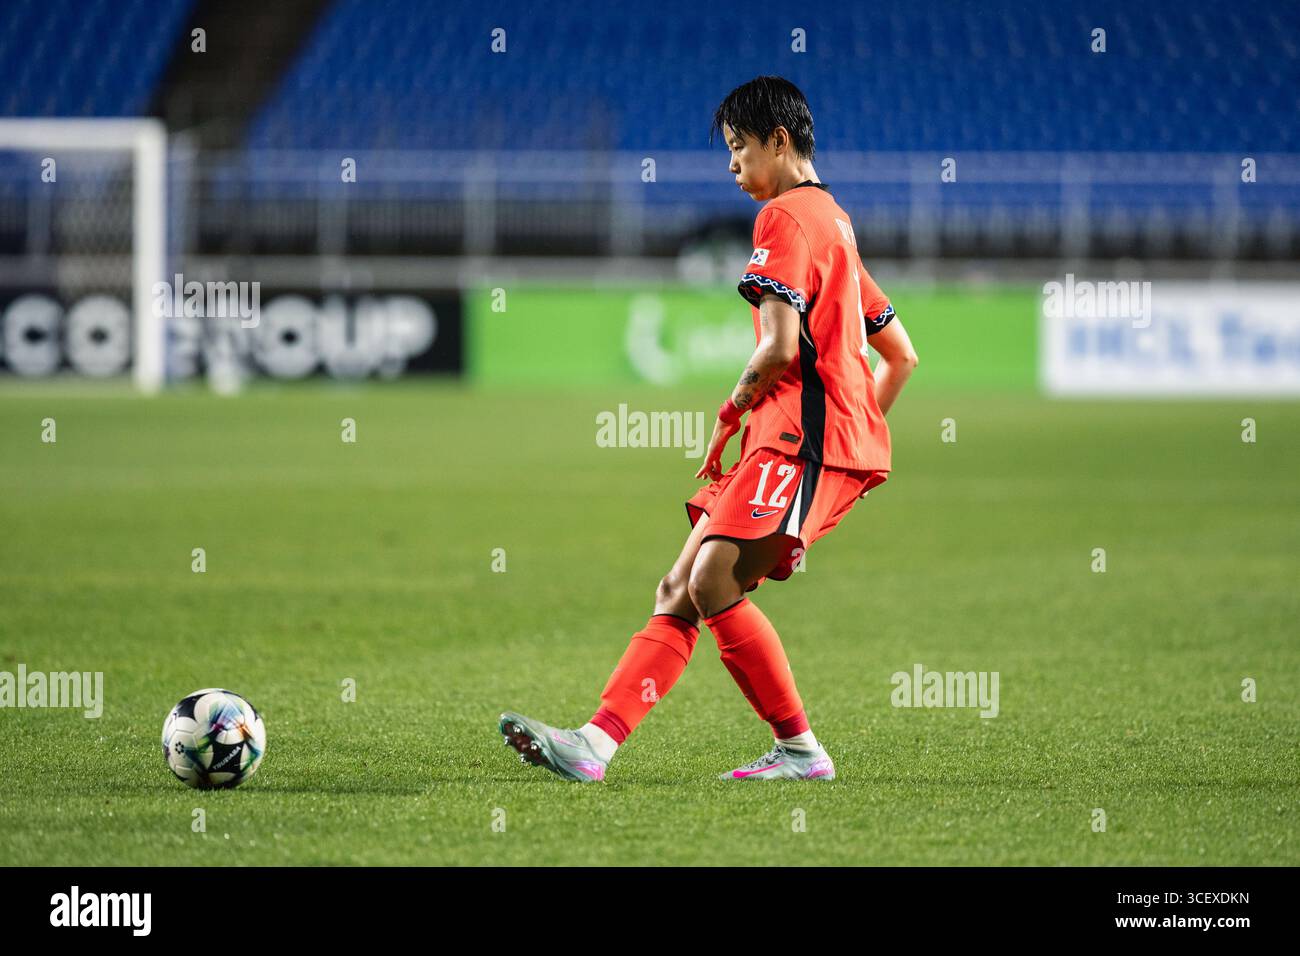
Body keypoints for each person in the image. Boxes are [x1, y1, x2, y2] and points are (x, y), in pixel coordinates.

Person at [499, 75, 919, 782]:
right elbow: (902, 356)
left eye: (738, 148)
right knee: (680, 586)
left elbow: (780, 346)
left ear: (777, 142)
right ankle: (593, 747)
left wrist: (731, 414)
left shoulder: (784, 218)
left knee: (711, 576)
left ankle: (800, 751)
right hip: (815, 444)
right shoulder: (836, 224)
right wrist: (851, 449)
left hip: (798, 441)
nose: (731, 166)